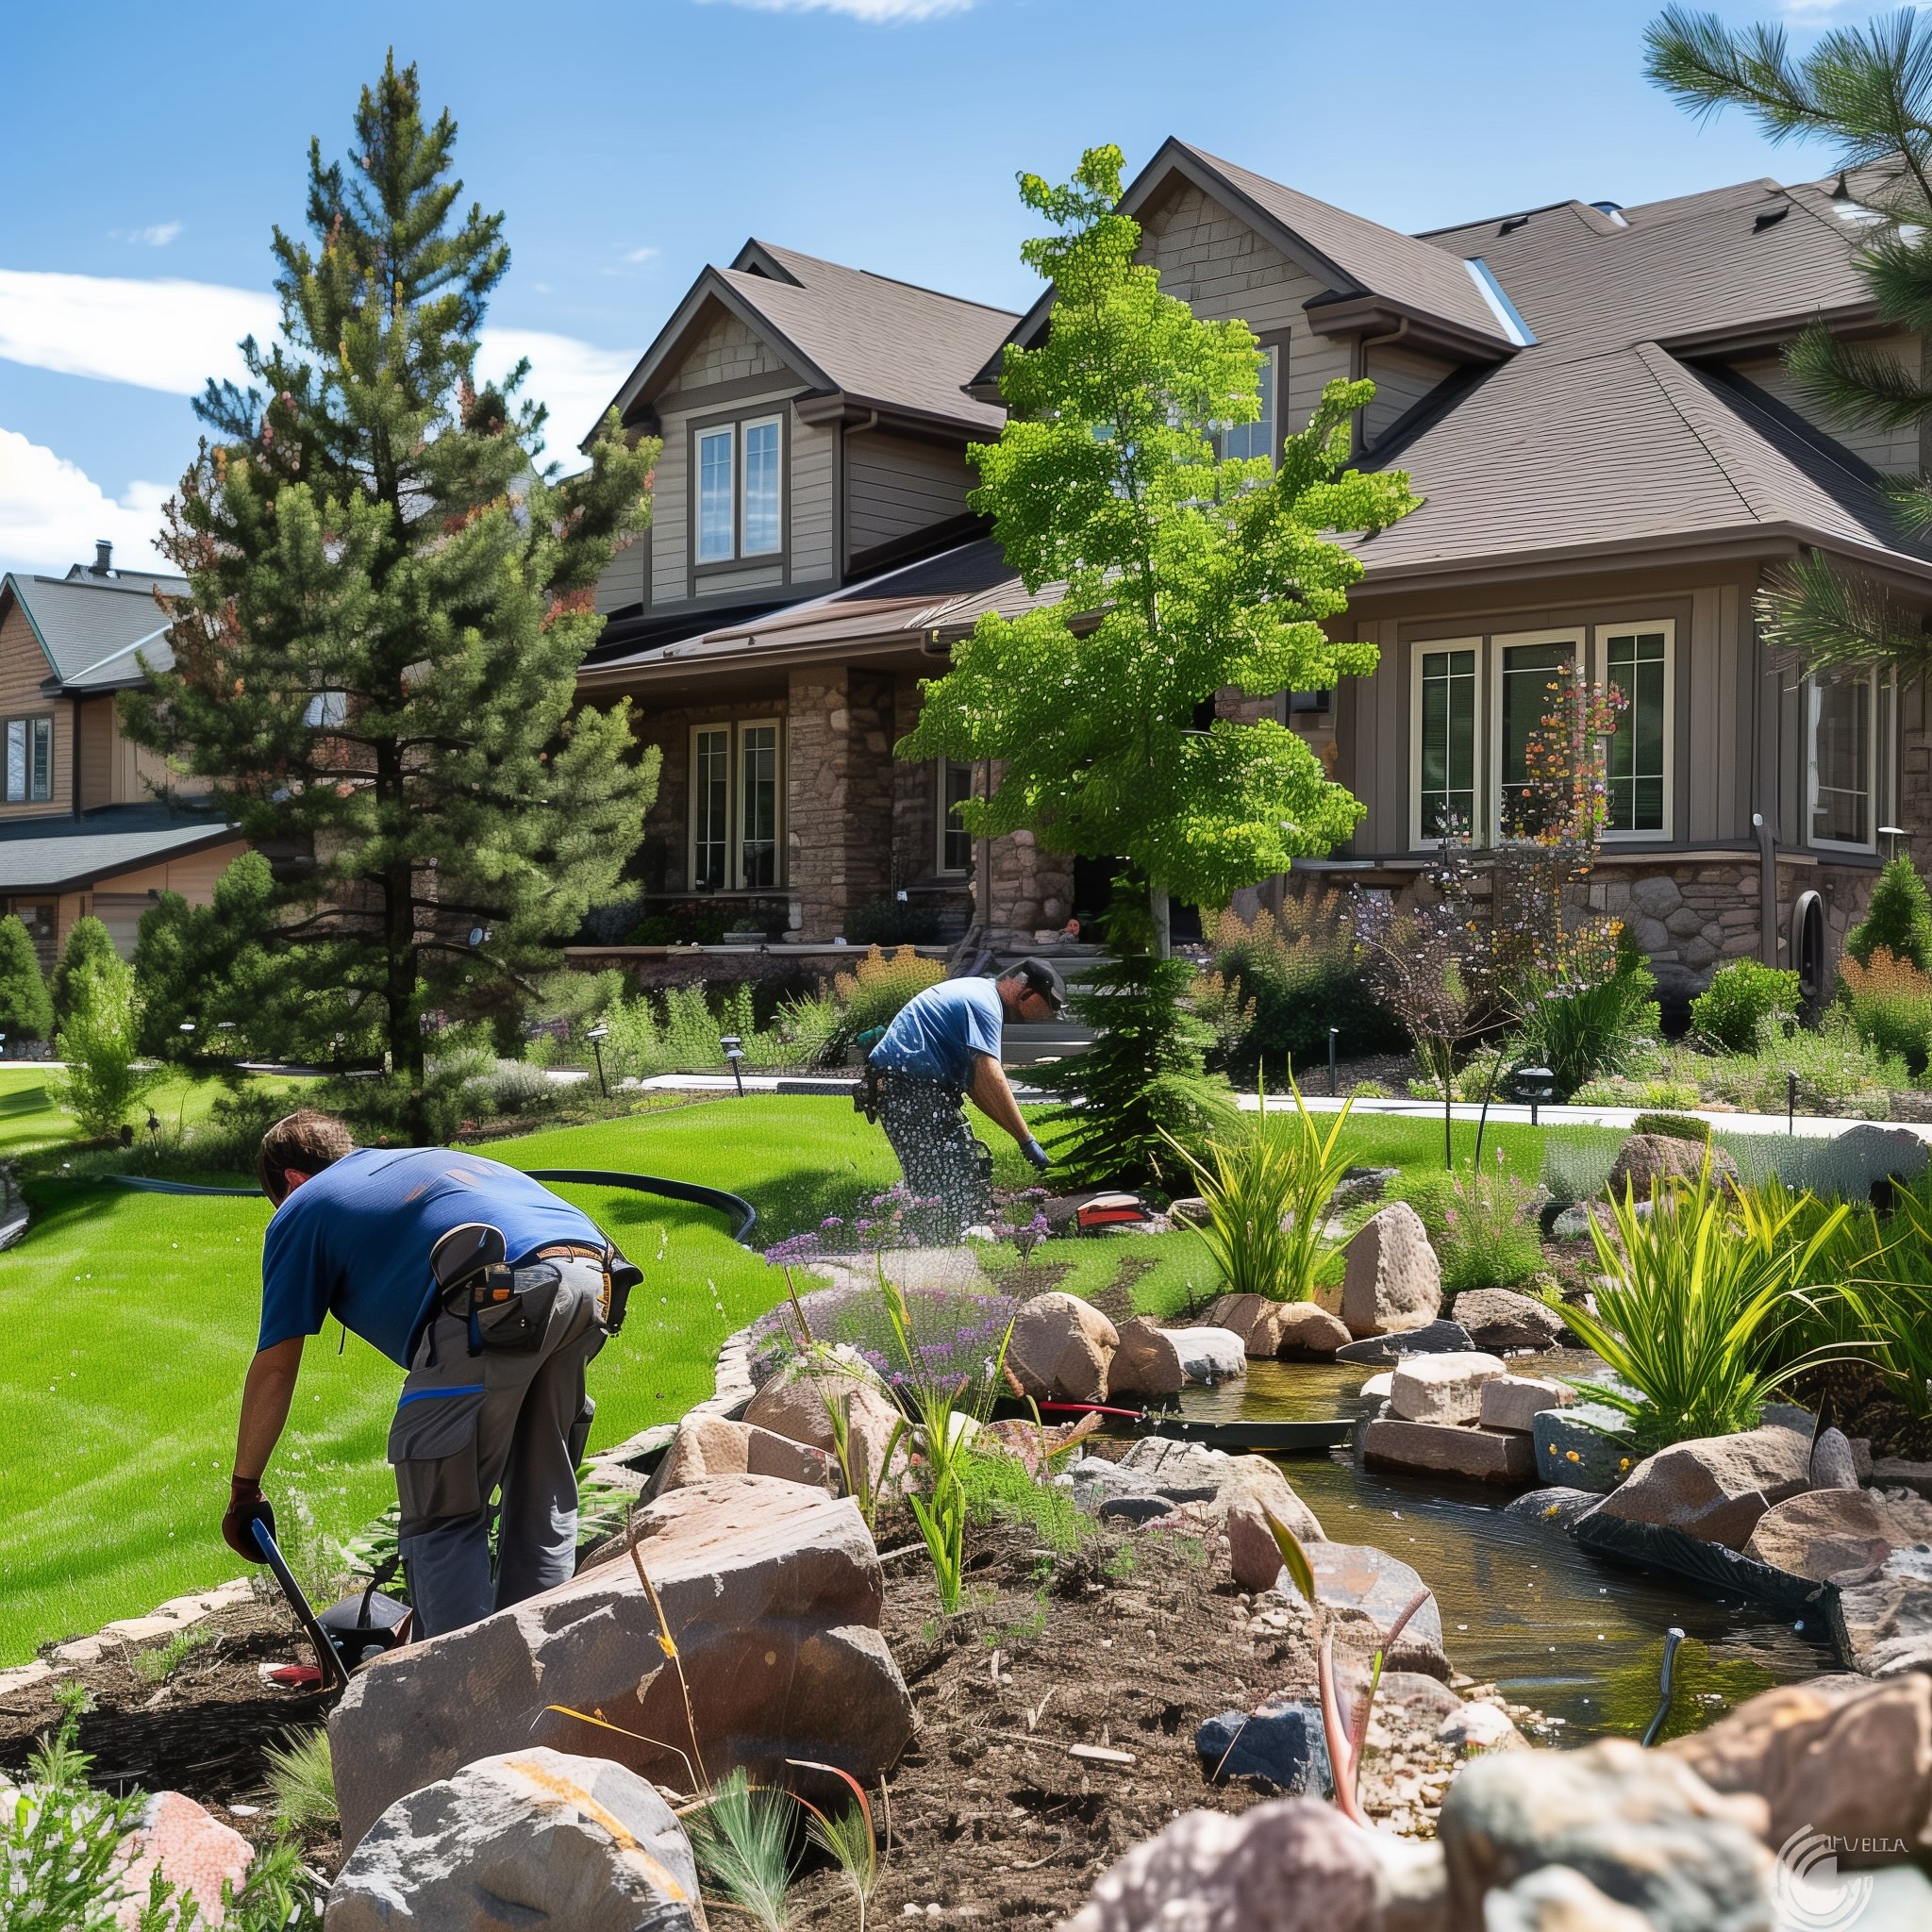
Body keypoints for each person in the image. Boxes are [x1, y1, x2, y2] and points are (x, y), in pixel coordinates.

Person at [222, 1110, 638, 1640]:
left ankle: (461, 1697)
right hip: (591, 1279)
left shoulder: (304, 1203)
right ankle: (544, 1677)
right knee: (541, 1499)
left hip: (497, 1295)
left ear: (291, 1182)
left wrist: (245, 1488)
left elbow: (277, 1366)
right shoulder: (405, 1165)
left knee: (443, 1517)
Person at [865, 958, 1065, 1237]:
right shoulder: (985, 1003)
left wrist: (1021, 1139)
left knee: (953, 1165)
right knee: (952, 1170)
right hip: (909, 1086)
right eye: (1048, 1008)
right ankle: (942, 1241)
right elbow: (989, 1074)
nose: (1047, 1017)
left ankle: (936, 1234)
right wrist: (1026, 1140)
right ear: (1026, 993)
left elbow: (979, 1089)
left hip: (909, 1085)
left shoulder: (979, 994)